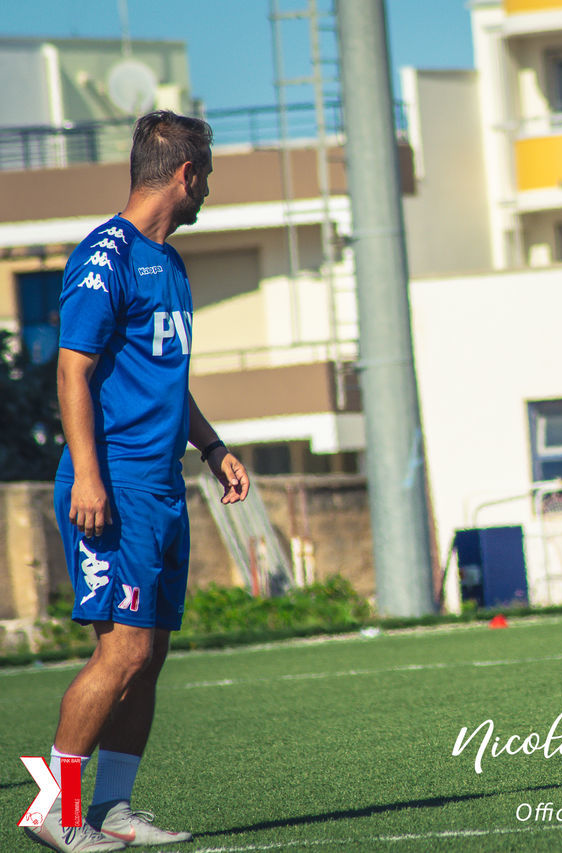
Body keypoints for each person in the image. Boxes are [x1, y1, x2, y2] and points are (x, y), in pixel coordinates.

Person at [28, 110, 249, 853]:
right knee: (119, 653)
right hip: (112, 486)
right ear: (185, 174)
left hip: (160, 486)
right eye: (207, 176)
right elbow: (72, 370)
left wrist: (212, 445)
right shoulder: (105, 255)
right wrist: (88, 475)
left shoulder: (171, 263)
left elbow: (164, 378)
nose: (208, 191)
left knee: (148, 655)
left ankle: (114, 808)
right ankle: (55, 811)